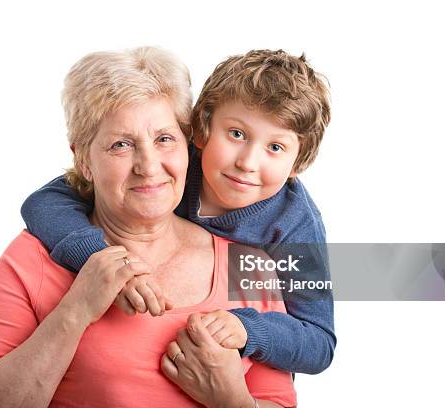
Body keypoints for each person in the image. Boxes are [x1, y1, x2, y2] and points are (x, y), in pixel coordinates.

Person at [0, 47, 296, 408]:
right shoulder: (31, 260)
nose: (148, 166)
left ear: (188, 147)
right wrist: (75, 310)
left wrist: (232, 401)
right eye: (121, 145)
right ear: (84, 160)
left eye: (165, 139)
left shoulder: (249, 267)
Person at [21, 49, 336, 374]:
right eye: (237, 134)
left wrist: (248, 329)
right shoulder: (168, 161)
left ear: (299, 163)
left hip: (231, 365)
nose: (248, 163)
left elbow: (319, 342)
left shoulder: (296, 225)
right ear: (199, 132)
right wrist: (97, 255)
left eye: (275, 147)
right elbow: (44, 202)